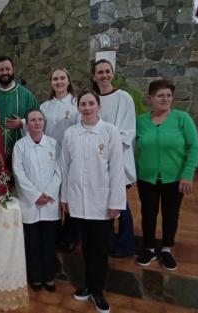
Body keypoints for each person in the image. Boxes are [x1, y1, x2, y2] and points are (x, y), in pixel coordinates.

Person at [60, 89, 125, 313]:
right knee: (86, 247)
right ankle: (87, 285)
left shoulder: (109, 131)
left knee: (100, 249)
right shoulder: (71, 133)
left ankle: (98, 291)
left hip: (102, 202)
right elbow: (65, 167)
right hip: (78, 201)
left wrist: (115, 202)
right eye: (83, 104)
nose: (86, 107)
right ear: (78, 107)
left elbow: (117, 169)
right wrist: (65, 198)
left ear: (98, 106)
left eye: (91, 103)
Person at [135, 79, 198, 271]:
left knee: (171, 215)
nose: (165, 99)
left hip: (174, 179)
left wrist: (187, 174)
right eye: (160, 95)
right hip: (146, 178)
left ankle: (166, 248)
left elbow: (195, 147)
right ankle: (148, 247)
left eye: (169, 95)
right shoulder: (140, 122)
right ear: (150, 98)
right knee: (148, 213)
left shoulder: (182, 119)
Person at [12, 109, 61, 293]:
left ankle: (49, 276)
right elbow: (19, 173)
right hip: (30, 203)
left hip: (49, 203)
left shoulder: (54, 144)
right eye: (33, 120)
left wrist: (48, 193)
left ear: (44, 122)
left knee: (49, 243)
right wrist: (35, 195)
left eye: (40, 119)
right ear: (28, 123)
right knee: (32, 243)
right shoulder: (20, 146)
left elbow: (59, 171)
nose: (37, 123)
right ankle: (35, 277)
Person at [91, 59, 136, 257]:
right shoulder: (93, 99)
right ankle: (107, 242)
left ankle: (126, 244)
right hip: (97, 161)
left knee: (121, 203)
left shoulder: (124, 98)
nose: (104, 75)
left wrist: (107, 150)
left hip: (117, 159)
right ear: (94, 76)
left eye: (107, 71)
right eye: (100, 72)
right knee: (102, 203)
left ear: (113, 73)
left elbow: (128, 130)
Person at [40, 68, 79, 252]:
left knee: (70, 194)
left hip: (71, 156)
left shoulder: (77, 103)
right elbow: (38, 127)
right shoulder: (45, 106)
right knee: (54, 194)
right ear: (51, 83)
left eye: (62, 78)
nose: (59, 81)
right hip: (50, 156)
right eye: (55, 79)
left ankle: (71, 235)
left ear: (68, 81)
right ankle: (54, 232)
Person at [0, 56, 38, 168]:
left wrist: (23, 123)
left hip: (21, 154)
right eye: (1, 70)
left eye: (7, 69)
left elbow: (38, 120)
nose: (5, 72)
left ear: (13, 69)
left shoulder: (26, 95)